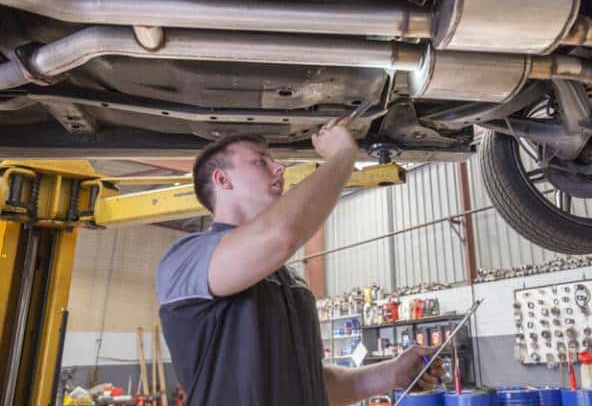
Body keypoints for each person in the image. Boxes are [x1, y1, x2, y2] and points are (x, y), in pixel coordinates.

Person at [155, 117, 443, 405]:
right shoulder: (186, 259)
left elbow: (315, 384)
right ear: (222, 179)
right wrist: (343, 155)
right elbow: (282, 234)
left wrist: (391, 374)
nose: (279, 168)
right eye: (260, 162)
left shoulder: (287, 279)